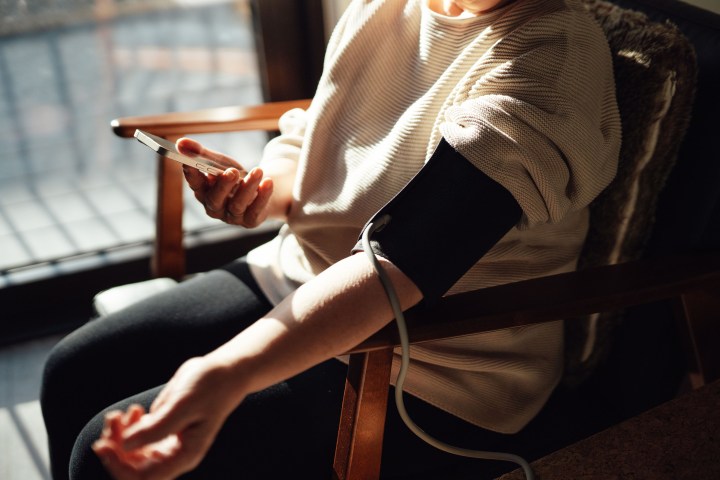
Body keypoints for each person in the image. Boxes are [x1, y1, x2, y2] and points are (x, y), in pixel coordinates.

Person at [41, 0, 621, 478]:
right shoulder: (384, 8)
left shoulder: (549, 58)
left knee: (103, 454)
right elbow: (317, 141)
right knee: (72, 371)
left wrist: (225, 373)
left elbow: (402, 262)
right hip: (302, 272)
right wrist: (261, 194)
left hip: (435, 359)